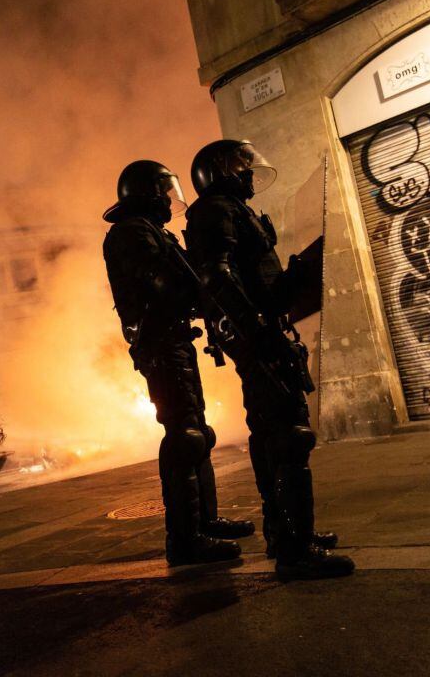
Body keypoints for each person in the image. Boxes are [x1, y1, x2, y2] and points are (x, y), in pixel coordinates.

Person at [184, 139, 353, 580]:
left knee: (271, 434)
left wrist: (293, 277)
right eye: (241, 166)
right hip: (258, 336)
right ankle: (296, 550)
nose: (249, 173)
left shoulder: (230, 209)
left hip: (263, 331)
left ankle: (287, 532)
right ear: (219, 170)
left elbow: (255, 279)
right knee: (290, 435)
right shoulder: (215, 210)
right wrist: (258, 331)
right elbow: (217, 276)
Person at [103, 159, 254, 567]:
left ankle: (205, 522)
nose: (171, 201)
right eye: (164, 192)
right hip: (160, 342)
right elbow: (164, 283)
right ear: (148, 194)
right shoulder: (131, 233)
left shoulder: (152, 232)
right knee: (183, 435)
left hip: (174, 339)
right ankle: (185, 539)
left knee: (197, 431)